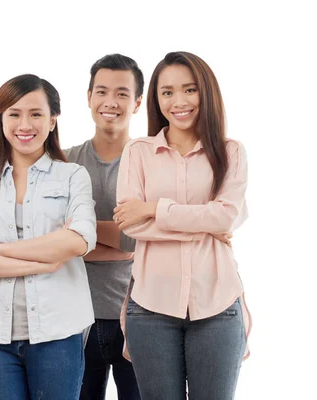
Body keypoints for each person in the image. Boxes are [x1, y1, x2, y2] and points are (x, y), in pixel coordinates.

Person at [114, 51, 251, 400]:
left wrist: (153, 208)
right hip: (150, 308)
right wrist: (205, 222)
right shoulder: (138, 151)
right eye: (167, 92)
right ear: (156, 100)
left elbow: (225, 216)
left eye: (190, 90)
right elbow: (131, 226)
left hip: (217, 305)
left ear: (206, 92)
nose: (179, 102)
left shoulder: (231, 151)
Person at [0, 74, 96, 400]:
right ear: (0, 118)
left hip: (58, 333)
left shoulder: (72, 176)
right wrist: (44, 258)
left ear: (53, 120)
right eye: (14, 114)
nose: (24, 124)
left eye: (36, 114)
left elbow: (79, 239)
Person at [65, 54, 142, 400]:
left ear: (137, 102)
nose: (110, 102)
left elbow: (140, 241)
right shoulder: (64, 162)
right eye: (102, 92)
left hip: (141, 316)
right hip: (75, 318)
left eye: (122, 94)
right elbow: (56, 241)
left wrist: (81, 237)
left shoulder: (151, 162)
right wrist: (124, 239)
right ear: (89, 97)